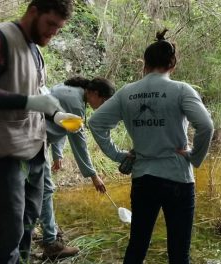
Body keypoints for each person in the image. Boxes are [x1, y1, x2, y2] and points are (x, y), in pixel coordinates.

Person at [89, 29, 214, 264]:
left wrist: (118, 154)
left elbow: (96, 123)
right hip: (177, 177)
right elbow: (206, 126)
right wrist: (194, 157)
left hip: (143, 178)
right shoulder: (181, 90)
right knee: (179, 252)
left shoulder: (128, 92)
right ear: (172, 63)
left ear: (144, 63)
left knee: (137, 246)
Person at [0, 0, 74, 263]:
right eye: (50, 23)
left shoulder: (36, 49)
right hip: (7, 155)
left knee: (29, 222)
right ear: (33, 12)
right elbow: (29, 97)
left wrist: (55, 113)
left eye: (59, 28)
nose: (53, 32)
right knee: (9, 231)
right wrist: (27, 102)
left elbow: (38, 88)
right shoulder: (4, 37)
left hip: (35, 152)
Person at [40, 76, 115, 259]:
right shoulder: (76, 102)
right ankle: (51, 244)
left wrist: (57, 154)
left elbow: (61, 121)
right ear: (95, 94)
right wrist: (93, 176)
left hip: (35, 138)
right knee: (46, 188)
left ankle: (42, 232)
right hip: (33, 140)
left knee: (37, 187)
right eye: (104, 101)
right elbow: (78, 140)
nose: (103, 105)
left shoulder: (69, 91)